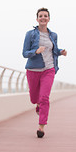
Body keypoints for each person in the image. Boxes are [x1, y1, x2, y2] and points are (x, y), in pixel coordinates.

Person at [22, 8, 67, 138]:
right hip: (33, 70)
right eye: (40, 16)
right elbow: (25, 53)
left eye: (45, 16)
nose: (43, 18)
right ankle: (37, 104)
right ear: (37, 19)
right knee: (34, 98)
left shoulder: (53, 35)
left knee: (44, 98)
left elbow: (54, 50)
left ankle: (41, 126)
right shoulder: (30, 34)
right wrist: (35, 51)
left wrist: (61, 51)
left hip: (49, 69)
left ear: (49, 19)